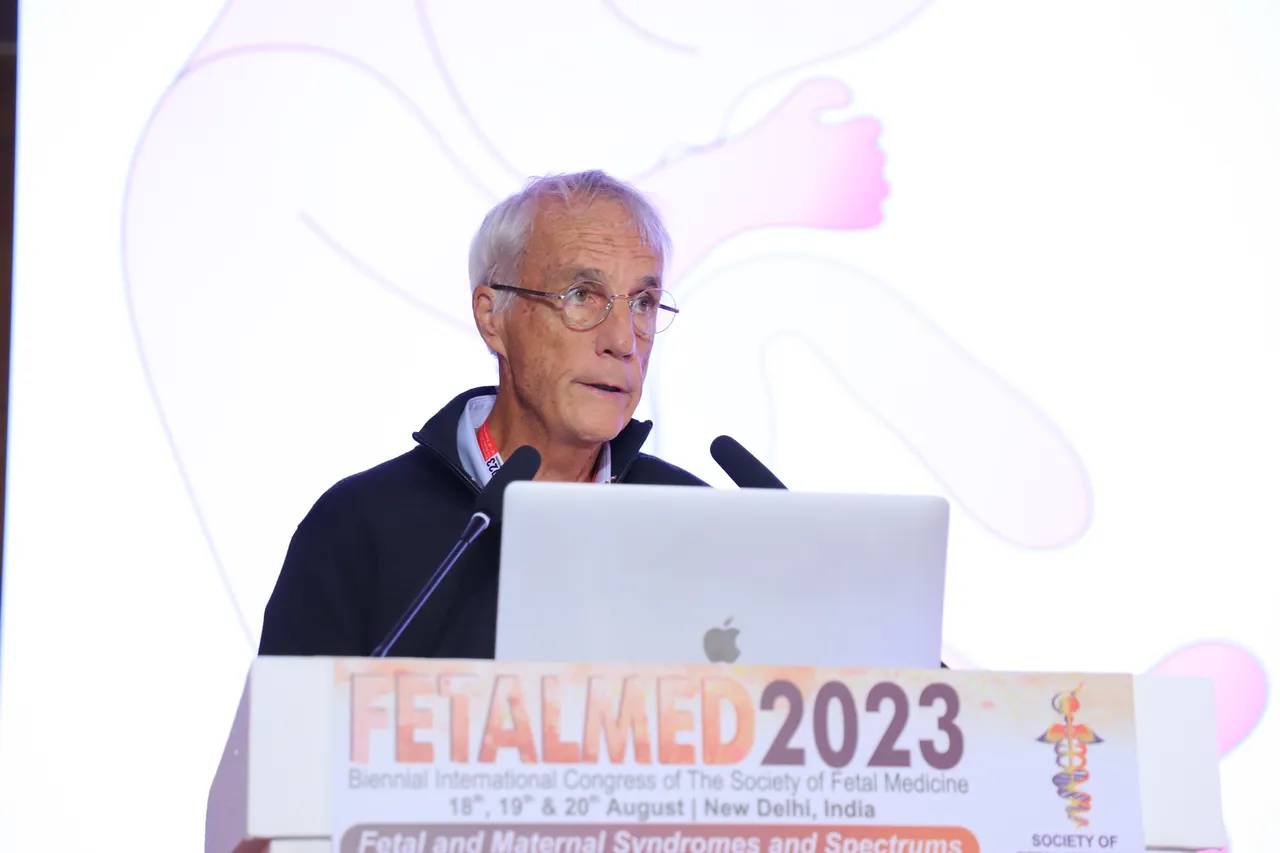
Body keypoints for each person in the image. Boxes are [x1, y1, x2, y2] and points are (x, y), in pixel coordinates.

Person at [258, 171, 706, 659]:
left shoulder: (698, 524)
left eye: (643, 303)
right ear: (493, 317)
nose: (622, 341)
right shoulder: (358, 526)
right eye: (581, 295)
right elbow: (288, 711)